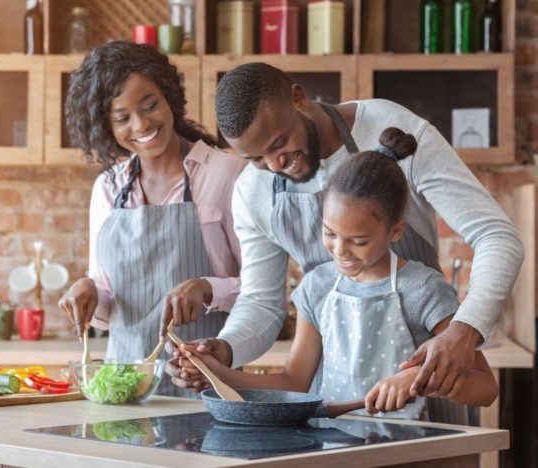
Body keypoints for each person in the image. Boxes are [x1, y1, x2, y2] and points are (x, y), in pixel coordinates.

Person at [166, 62, 522, 421]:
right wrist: (224, 352)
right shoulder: (253, 193)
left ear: (299, 98)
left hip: (432, 384)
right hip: (337, 409)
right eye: (256, 158)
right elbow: (261, 302)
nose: (276, 164)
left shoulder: (389, 129)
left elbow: (497, 236)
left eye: (279, 143)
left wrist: (463, 331)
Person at [58, 40, 245, 397]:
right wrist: (88, 289)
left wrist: (207, 287)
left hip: (207, 382)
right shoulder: (108, 189)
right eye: (122, 118)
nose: (142, 124)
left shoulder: (226, 173)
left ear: (169, 97)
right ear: (105, 126)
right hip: (124, 390)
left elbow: (261, 292)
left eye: (150, 106)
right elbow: (109, 292)